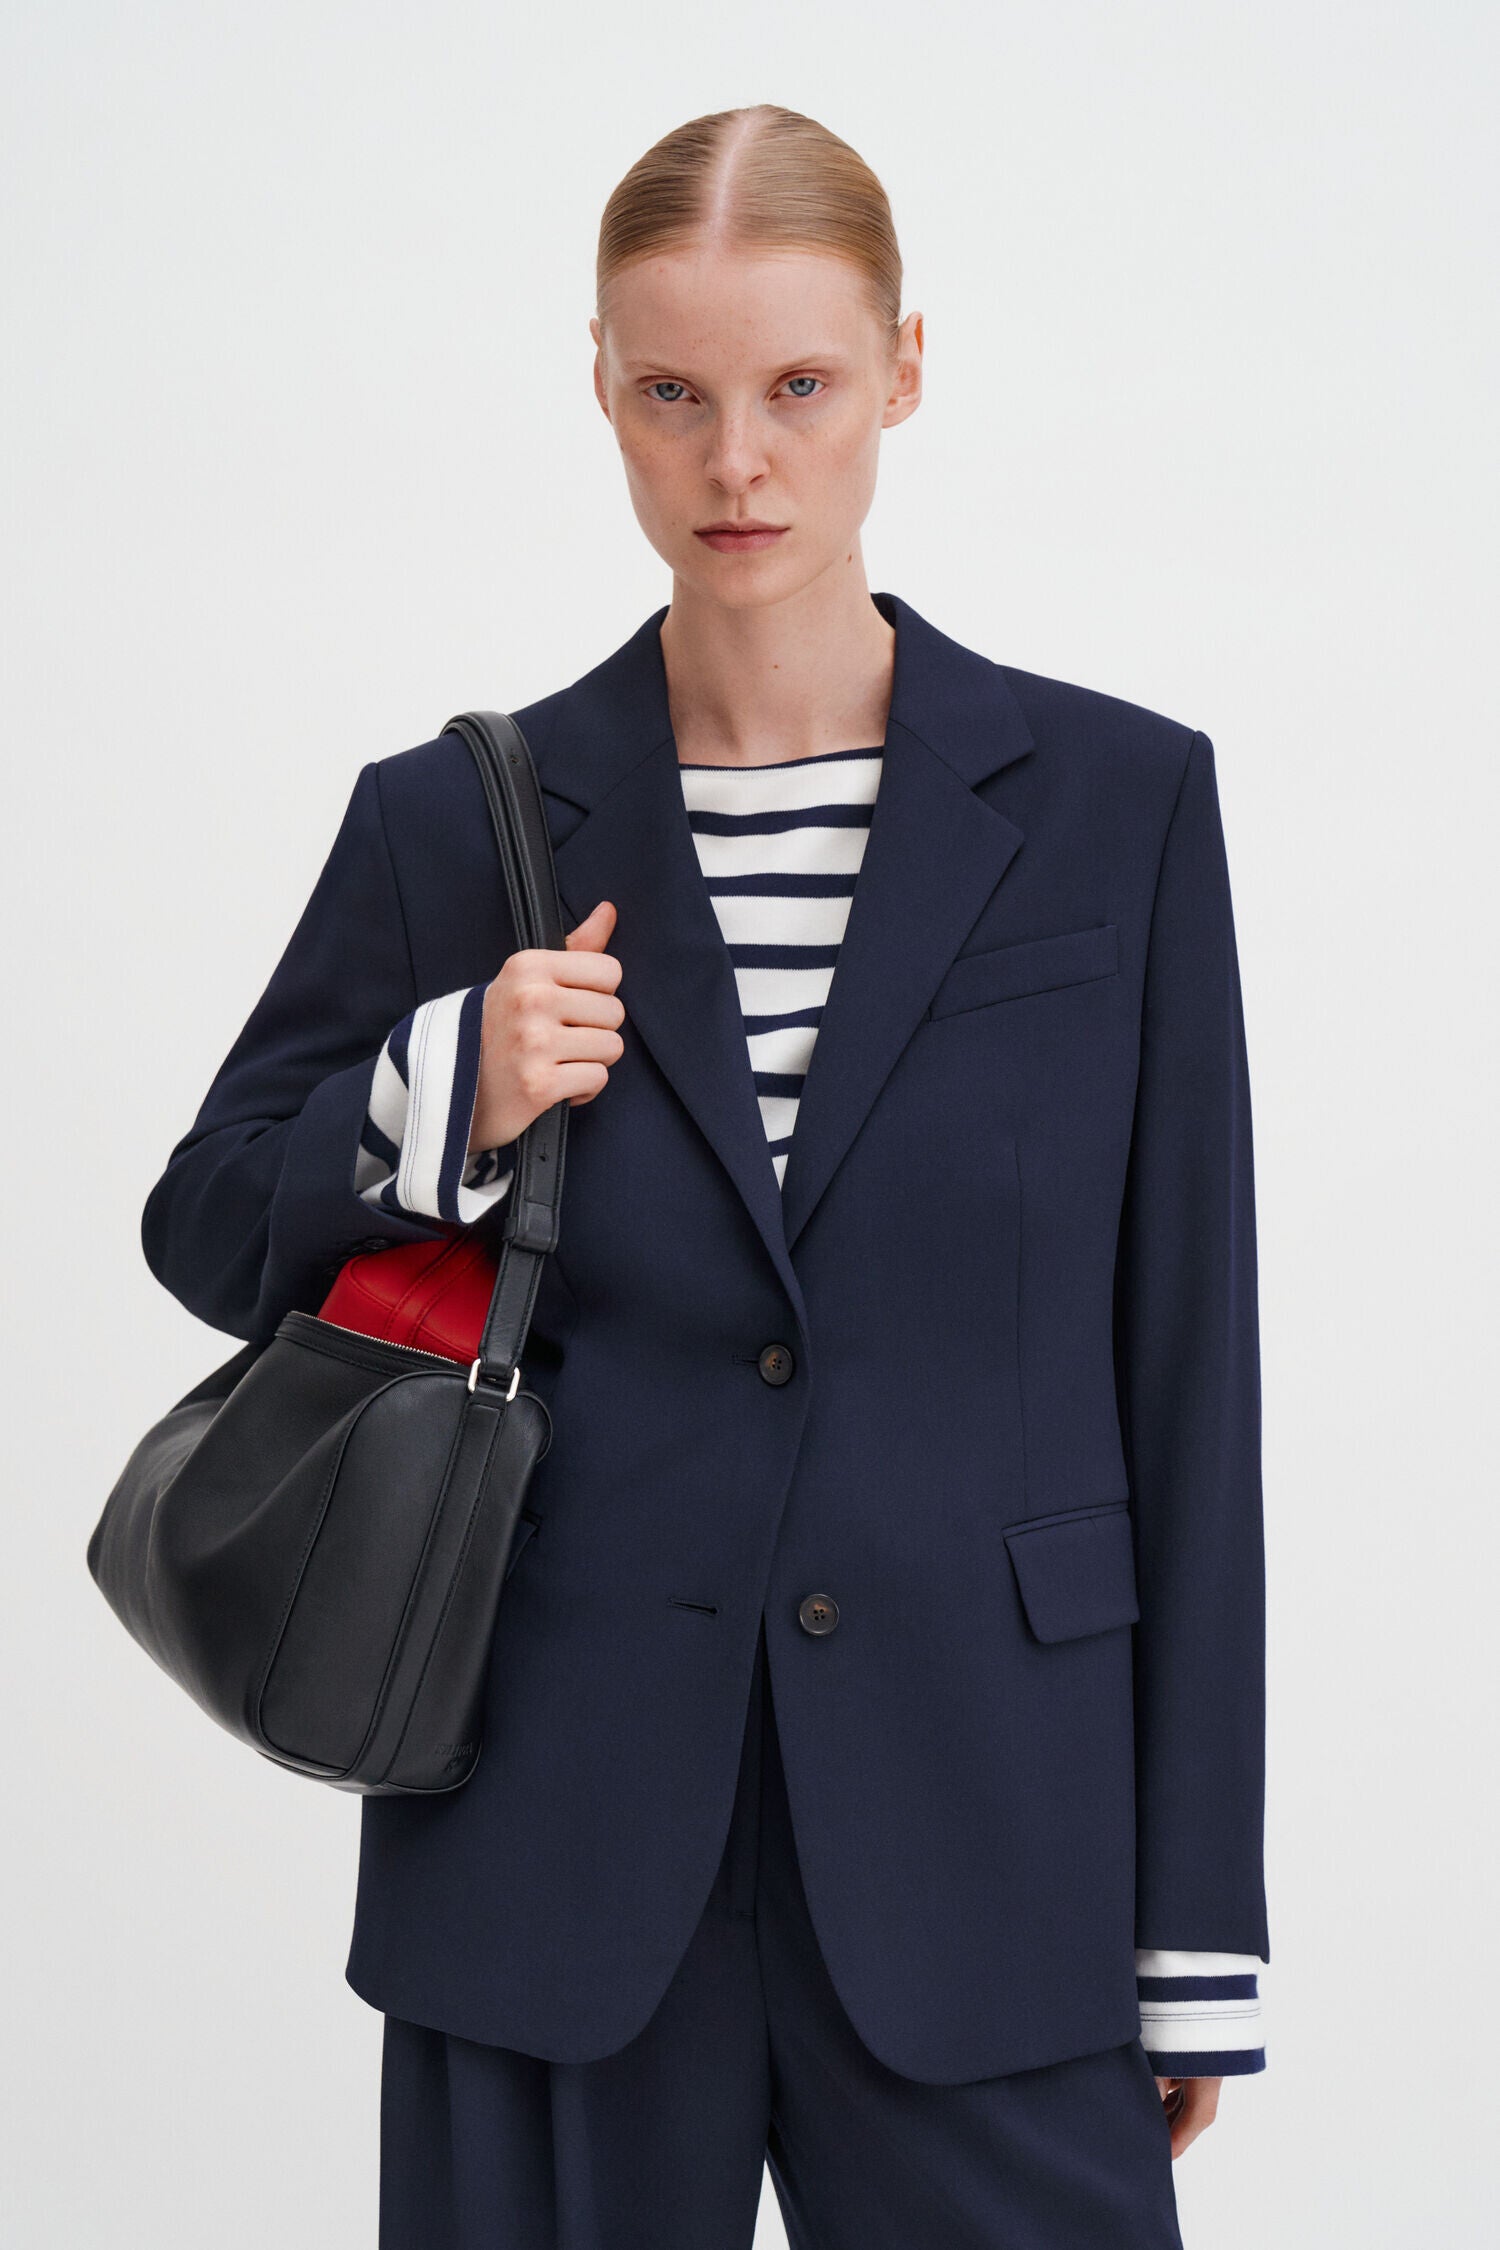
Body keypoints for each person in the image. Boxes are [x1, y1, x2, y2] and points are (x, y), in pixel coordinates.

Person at [142, 103, 1268, 2250]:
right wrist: (445, 1094)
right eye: (673, 394)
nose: (736, 462)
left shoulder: (1116, 809)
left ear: (905, 372)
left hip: (991, 1837)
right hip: (548, 1839)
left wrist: (1194, 1919)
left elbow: (1186, 1370)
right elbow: (205, 1219)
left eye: (798, 387)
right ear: (601, 386)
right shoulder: (455, 822)